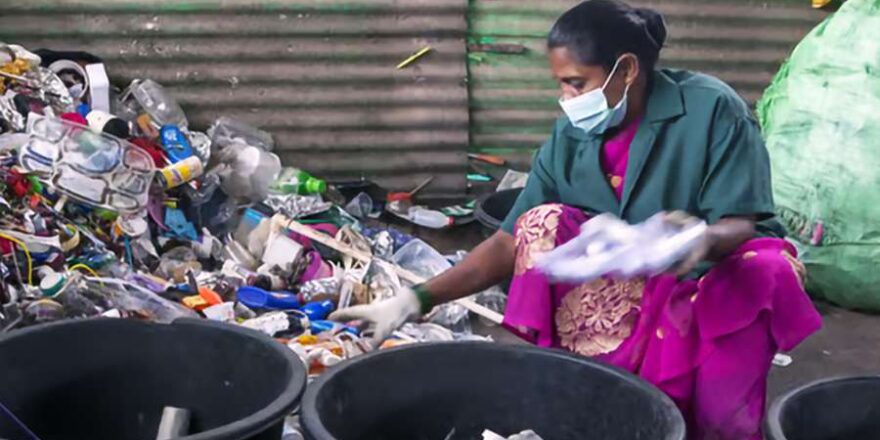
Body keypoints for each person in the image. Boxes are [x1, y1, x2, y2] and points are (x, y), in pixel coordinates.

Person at [331, 1, 822, 438]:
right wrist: (414, 299)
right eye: (560, 85)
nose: (566, 99)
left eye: (575, 83)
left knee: (766, 270)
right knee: (541, 223)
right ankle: (588, 395)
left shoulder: (712, 109)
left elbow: (741, 222)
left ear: (626, 70)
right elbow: (508, 242)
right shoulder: (572, 134)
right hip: (628, 289)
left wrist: (694, 239)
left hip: (706, 284)